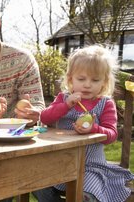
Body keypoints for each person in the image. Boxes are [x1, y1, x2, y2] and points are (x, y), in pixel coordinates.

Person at [32, 45, 134, 202]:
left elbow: (112, 135)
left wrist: (94, 129)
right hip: (58, 163)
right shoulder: (63, 98)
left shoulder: (105, 103)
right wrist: (66, 105)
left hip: (90, 167)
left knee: (86, 194)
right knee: (36, 184)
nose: (87, 84)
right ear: (70, 78)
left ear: (104, 82)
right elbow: (45, 118)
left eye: (95, 80)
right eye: (81, 79)